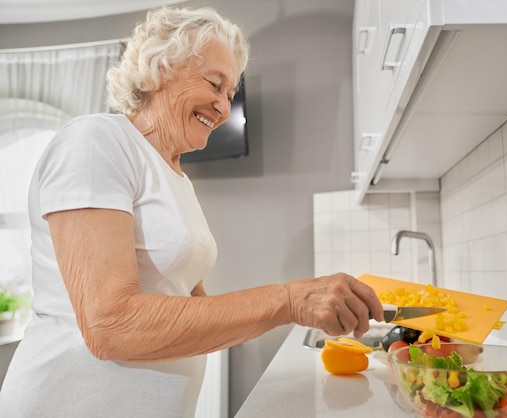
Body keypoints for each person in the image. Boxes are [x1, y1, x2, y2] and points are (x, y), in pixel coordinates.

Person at [0, 6, 384, 418]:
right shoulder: (96, 141)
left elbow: (196, 313)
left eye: (231, 93)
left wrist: (296, 307)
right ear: (160, 68)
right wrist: (289, 300)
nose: (223, 107)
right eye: (214, 84)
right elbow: (109, 327)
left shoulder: (177, 179)